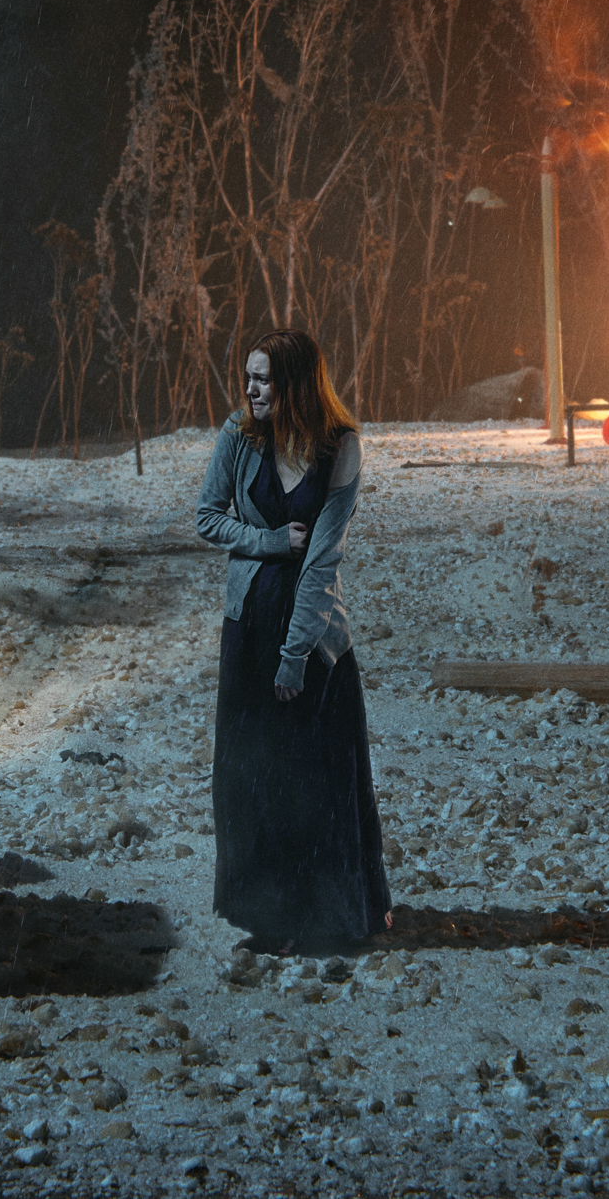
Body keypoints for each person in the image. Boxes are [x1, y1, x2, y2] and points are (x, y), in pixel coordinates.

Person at [192, 329, 390, 955]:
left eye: (264, 380)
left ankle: (330, 919)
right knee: (253, 777)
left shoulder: (340, 448)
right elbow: (207, 517)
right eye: (248, 377)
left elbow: (323, 560)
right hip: (247, 628)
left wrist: (296, 655)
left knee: (315, 780)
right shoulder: (239, 435)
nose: (251, 390)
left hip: (312, 640)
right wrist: (271, 541)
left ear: (297, 385)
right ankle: (271, 920)